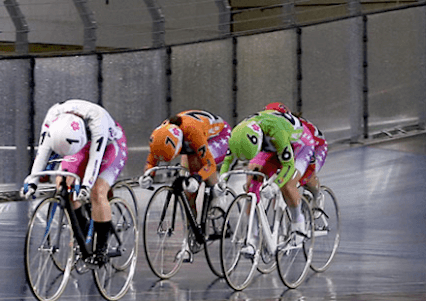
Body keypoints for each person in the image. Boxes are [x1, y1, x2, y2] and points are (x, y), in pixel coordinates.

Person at [21, 99, 128, 267]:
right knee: (63, 183)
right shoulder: (52, 118)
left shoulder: (97, 121)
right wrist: (31, 181)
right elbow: (42, 153)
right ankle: (83, 228)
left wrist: (86, 185)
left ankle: (101, 249)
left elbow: (95, 159)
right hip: (77, 145)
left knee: (97, 191)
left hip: (109, 145)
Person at [220, 109, 315, 242]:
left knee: (287, 185)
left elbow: (289, 166)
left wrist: (276, 186)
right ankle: (252, 237)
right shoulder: (237, 134)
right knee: (251, 184)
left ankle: (298, 221)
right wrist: (221, 181)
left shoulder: (277, 132)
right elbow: (228, 161)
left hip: (299, 144)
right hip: (271, 144)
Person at [139, 110, 231, 209]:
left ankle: (218, 192)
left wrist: (198, 178)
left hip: (220, 134)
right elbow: (151, 162)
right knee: (187, 187)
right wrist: (149, 176)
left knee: (198, 164)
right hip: (194, 135)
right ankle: (191, 222)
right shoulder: (159, 137)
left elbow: (210, 165)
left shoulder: (194, 134)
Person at [263, 102, 328, 210]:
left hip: (316, 147)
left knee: (305, 176)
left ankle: (317, 195)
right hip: (294, 148)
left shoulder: (301, 127)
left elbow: (307, 157)